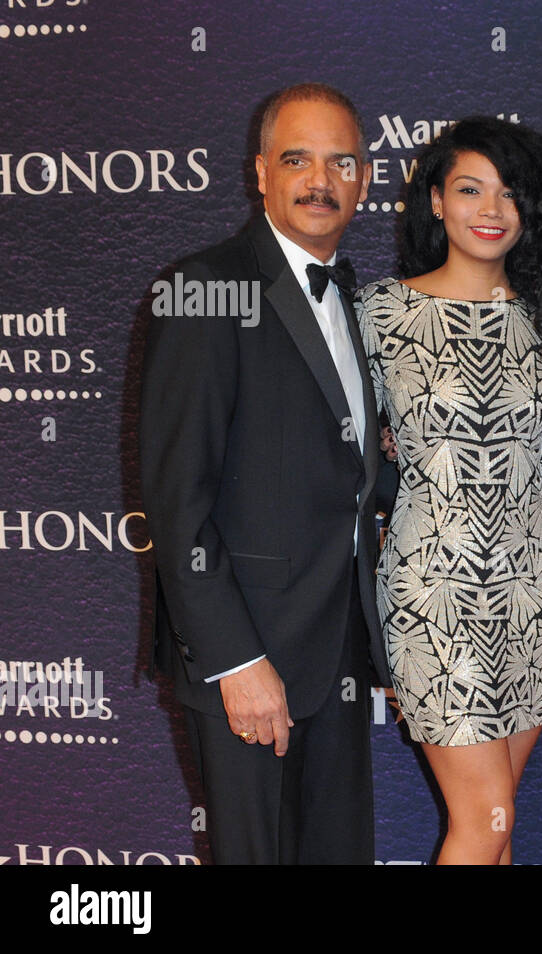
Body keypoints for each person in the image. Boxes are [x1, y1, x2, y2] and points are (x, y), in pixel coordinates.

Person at [140, 83, 387, 864]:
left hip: (336, 651)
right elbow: (177, 504)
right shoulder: (205, 289)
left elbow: (353, 477)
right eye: (297, 160)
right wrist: (237, 664)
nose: (320, 180)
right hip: (247, 662)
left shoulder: (353, 294)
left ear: (365, 180)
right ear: (260, 173)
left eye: (340, 162)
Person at [357, 116, 542, 864]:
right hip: (433, 591)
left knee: (499, 822)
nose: (491, 208)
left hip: (530, 593)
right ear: (434, 201)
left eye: (508, 193)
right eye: (469, 189)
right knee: (482, 812)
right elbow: (342, 444)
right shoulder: (380, 313)